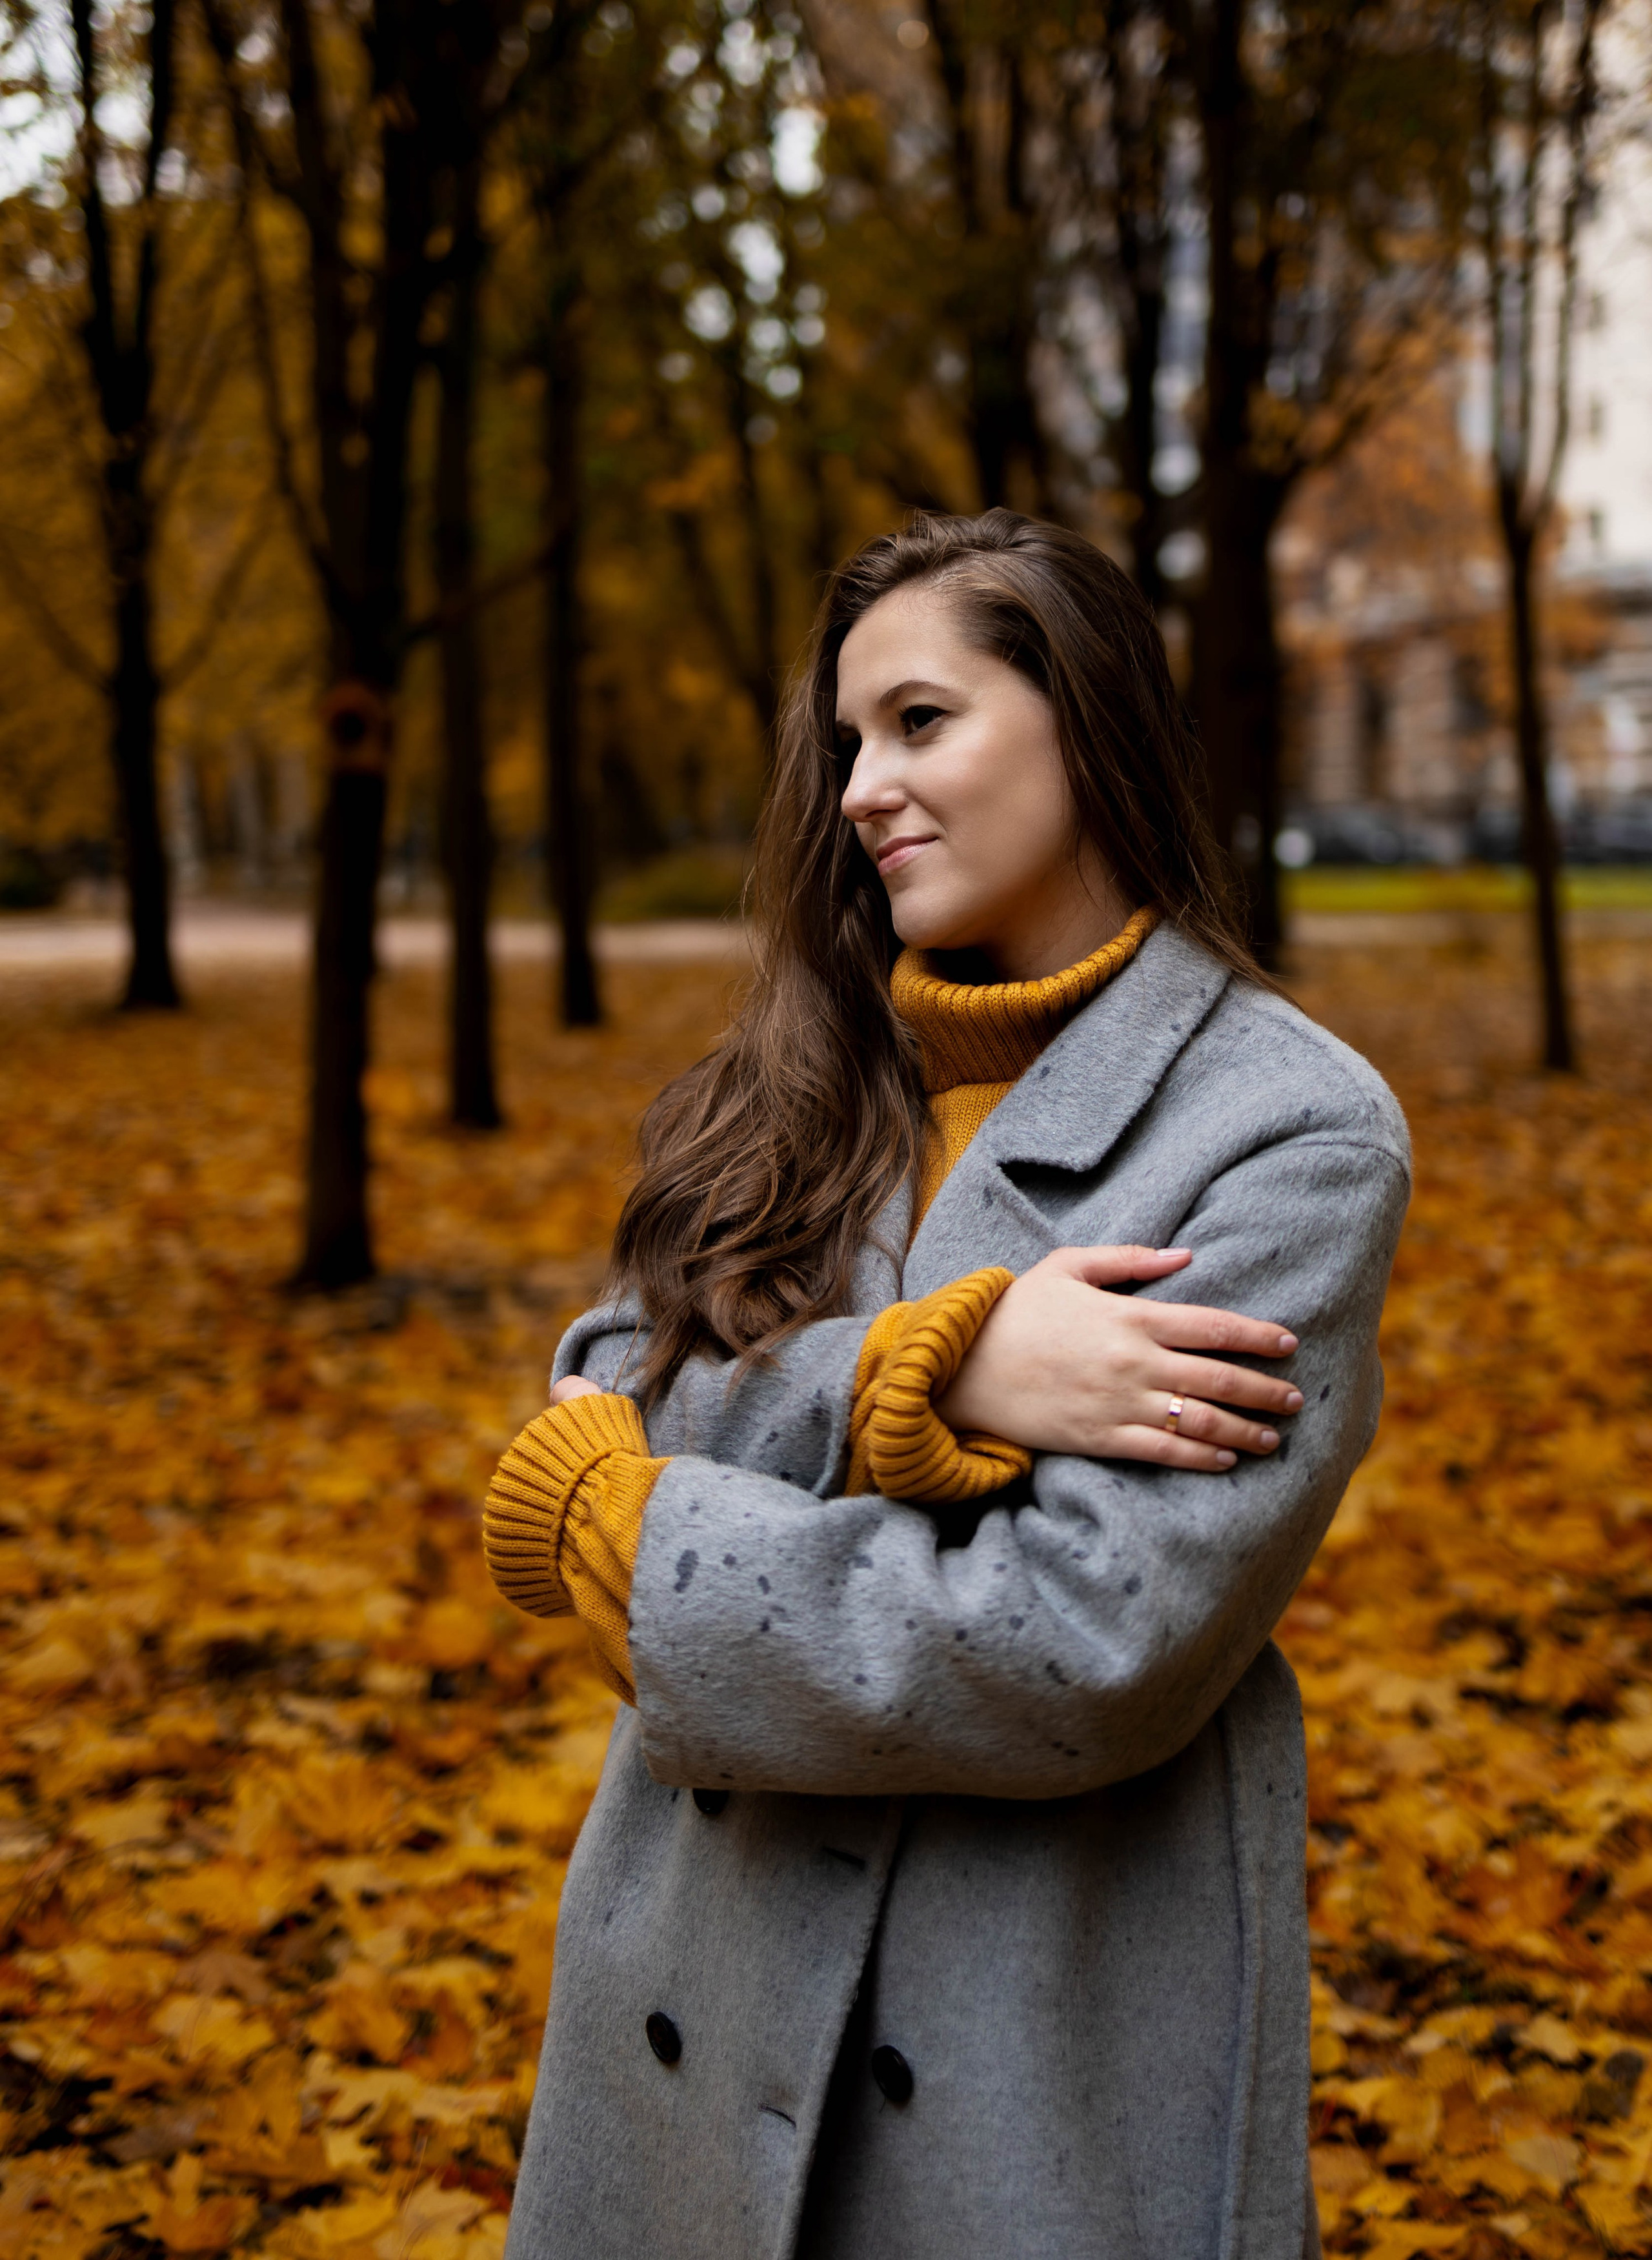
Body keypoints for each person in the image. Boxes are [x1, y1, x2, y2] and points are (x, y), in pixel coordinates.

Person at [482, 509, 1409, 2260]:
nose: (857, 789)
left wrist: (645, 1542)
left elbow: (1076, 1638)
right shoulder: (788, 1075)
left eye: (920, 722)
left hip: (1028, 2039)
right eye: (846, 742)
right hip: (690, 1975)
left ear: (1085, 719)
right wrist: (946, 1368)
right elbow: (599, 1396)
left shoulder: (1291, 1132)